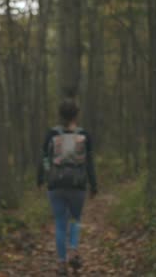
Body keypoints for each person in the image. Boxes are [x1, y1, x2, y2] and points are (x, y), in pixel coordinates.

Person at [37, 99, 98, 276]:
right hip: (78, 185)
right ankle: (73, 250)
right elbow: (89, 163)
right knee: (75, 219)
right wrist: (93, 185)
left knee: (60, 223)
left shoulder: (51, 134)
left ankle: (62, 264)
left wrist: (43, 177)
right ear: (76, 115)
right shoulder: (85, 135)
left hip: (55, 185)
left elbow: (44, 159)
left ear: (60, 114)